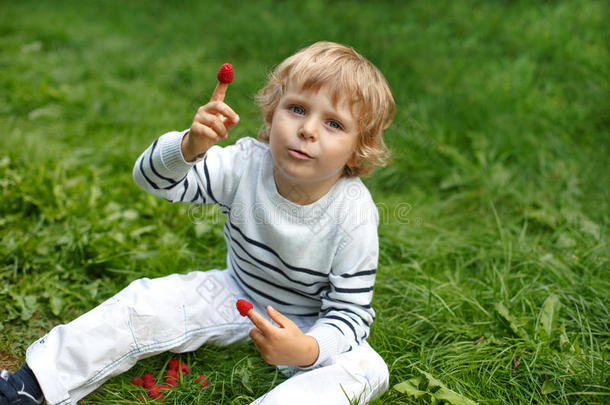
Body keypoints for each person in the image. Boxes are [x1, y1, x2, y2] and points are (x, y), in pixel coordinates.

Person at [1, 41, 395, 405]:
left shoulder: (354, 215)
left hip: (313, 322)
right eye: (297, 109)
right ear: (272, 113)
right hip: (237, 292)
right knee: (147, 301)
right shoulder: (244, 164)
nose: (307, 129)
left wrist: (309, 350)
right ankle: (31, 385)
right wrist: (190, 146)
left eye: (333, 124)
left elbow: (350, 313)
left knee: (367, 370)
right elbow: (154, 181)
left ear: (357, 151)